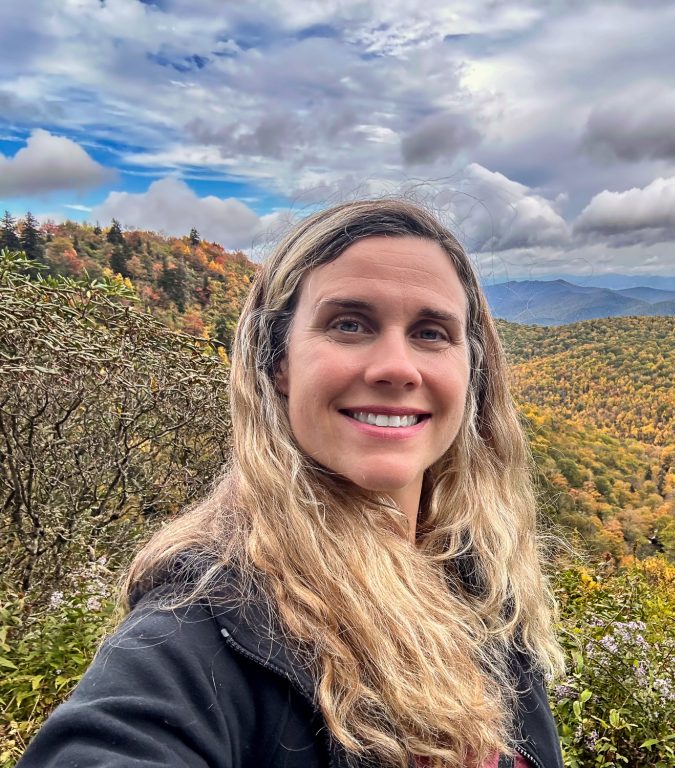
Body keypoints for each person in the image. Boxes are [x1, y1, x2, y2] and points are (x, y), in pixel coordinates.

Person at [17, 200, 564, 768]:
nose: (397, 367)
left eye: (431, 332)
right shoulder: (201, 622)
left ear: (472, 369)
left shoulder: (480, 582)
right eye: (349, 324)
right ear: (278, 362)